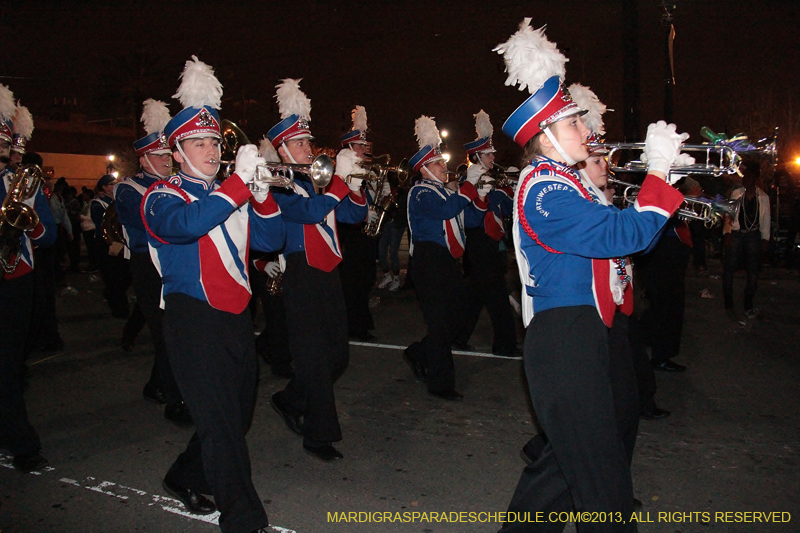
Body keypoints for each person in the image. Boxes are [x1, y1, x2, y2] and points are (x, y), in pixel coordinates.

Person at [493, 20, 686, 532]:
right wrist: (659, 176)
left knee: (564, 473)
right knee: (605, 493)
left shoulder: (565, 183)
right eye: (576, 125)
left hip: (580, 337)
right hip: (563, 341)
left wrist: (660, 182)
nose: (588, 133)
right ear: (548, 136)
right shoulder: (543, 190)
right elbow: (625, 235)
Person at [142, 57, 283, 533]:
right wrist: (239, 186)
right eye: (198, 143)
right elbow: (184, 226)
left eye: (213, 142)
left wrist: (261, 194)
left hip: (238, 318)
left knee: (235, 416)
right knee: (223, 425)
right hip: (192, 319)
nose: (209, 150)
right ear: (177, 151)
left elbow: (271, 240)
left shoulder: (231, 191)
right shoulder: (162, 195)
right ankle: (243, 518)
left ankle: (185, 473)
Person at [265, 79, 367, 462]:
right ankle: (317, 434)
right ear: (282, 149)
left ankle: (289, 399)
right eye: (301, 144)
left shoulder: (316, 180)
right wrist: (338, 183)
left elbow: (355, 215)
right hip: (301, 272)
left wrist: (353, 184)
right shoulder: (278, 184)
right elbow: (309, 214)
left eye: (308, 142)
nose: (309, 149)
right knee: (314, 359)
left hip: (327, 272)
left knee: (337, 355)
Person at [114, 98, 191, 426]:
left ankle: (155, 384)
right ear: (144, 159)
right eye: (158, 156)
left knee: (174, 331)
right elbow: (151, 226)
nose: (165, 161)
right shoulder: (127, 189)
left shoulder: (173, 185)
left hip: (173, 262)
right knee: (164, 333)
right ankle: (176, 400)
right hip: (147, 265)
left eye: (166, 155)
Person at [403, 115, 486, 400]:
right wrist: (467, 190)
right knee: (440, 322)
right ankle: (440, 383)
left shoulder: (445, 191)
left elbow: (470, 220)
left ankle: (420, 352)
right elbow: (445, 211)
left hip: (447, 261)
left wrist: (480, 197)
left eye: (442, 161)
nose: (444, 166)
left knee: (457, 315)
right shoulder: (420, 191)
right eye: (438, 163)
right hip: (428, 261)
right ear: (424, 169)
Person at [0, 84, 57, 472]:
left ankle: (21, 439)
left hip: (13, 279)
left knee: (8, 363)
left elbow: (49, 234)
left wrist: (31, 223)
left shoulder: (23, 183)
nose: (6, 149)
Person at [456, 110, 519, 357]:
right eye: (489, 153)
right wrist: (481, 194)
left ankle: (456, 336)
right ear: (478, 157)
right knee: (498, 299)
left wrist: (514, 188)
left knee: (475, 297)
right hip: (480, 244)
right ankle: (504, 345)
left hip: (491, 245)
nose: (494, 156)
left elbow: (507, 206)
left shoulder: (491, 180)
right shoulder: (469, 182)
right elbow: (470, 220)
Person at [337, 105, 378, 340]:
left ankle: (361, 320)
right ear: (349, 148)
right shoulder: (341, 173)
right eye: (360, 146)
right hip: (347, 236)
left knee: (364, 279)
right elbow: (342, 208)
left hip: (362, 236)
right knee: (351, 282)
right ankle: (353, 325)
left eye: (365, 145)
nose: (364, 149)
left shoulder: (363, 173)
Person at [723, 160, 770, 320]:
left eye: (749, 177)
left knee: (753, 270)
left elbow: (766, 220)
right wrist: (727, 232)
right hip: (737, 232)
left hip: (753, 234)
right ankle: (728, 302)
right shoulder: (737, 194)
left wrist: (765, 238)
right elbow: (729, 214)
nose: (746, 179)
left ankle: (748, 302)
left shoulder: (763, 197)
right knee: (729, 267)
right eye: (745, 176)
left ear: (755, 179)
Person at [90, 173, 130, 318]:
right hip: (105, 243)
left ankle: (114, 298)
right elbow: (102, 224)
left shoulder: (117, 200)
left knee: (123, 275)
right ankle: (119, 309)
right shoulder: (98, 202)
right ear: (104, 187)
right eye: (111, 184)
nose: (114, 186)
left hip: (119, 241)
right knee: (112, 276)